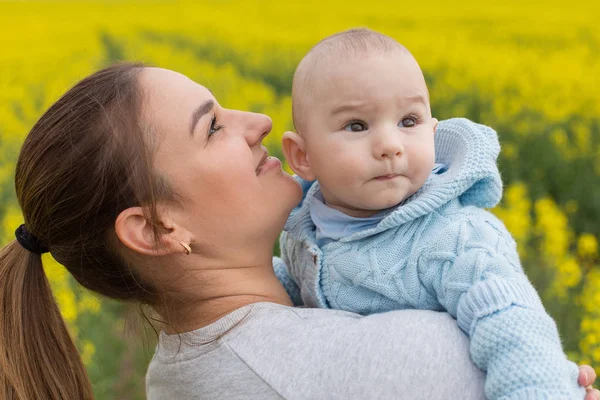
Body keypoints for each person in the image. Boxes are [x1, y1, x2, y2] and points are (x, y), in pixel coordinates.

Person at [0, 63, 597, 400]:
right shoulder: (421, 357)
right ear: (157, 227)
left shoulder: (178, 369)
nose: (259, 121)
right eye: (211, 128)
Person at [280, 28, 587, 399]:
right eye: (356, 125)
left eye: (408, 121)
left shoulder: (456, 238)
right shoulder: (302, 231)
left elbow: (515, 328)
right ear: (303, 156)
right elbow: (293, 293)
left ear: (432, 130)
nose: (390, 146)